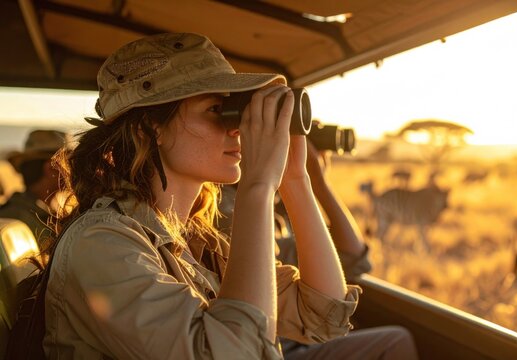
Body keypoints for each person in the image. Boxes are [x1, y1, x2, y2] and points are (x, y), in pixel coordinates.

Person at [43, 32, 361, 359]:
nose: (236, 128)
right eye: (217, 109)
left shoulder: (198, 246)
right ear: (151, 128)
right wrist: (257, 185)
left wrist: (295, 178)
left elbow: (322, 316)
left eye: (235, 111)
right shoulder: (101, 245)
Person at [218, 140, 420, 359]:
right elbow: (351, 261)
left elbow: (353, 261)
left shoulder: (268, 209)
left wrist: (310, 180)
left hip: (289, 339)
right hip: (277, 347)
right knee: (396, 341)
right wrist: (270, 181)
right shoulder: (228, 213)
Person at [0, 129, 68, 244]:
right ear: (51, 168)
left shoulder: (36, 212)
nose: (73, 171)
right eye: (68, 163)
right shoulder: (19, 218)